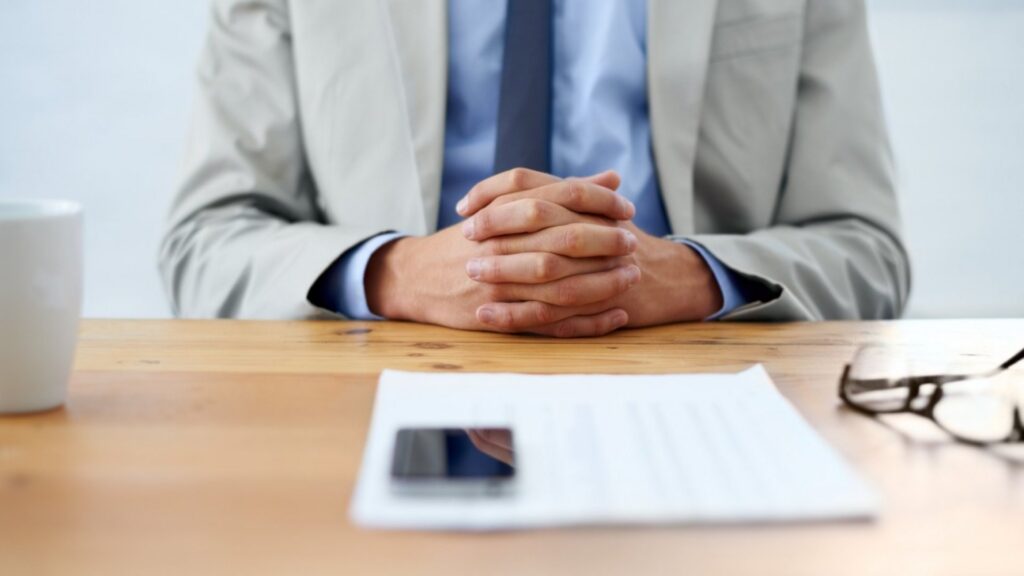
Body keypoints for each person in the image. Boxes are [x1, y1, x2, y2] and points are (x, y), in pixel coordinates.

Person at [159, 0, 910, 337]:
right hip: (379, 385)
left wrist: (685, 277)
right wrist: (397, 275)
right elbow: (206, 241)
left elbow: (866, 251)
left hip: (702, 375)